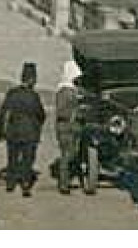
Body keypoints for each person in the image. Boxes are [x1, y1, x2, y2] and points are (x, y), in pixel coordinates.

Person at [0, 61, 46, 197]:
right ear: (31, 80)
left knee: (12, 158)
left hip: (13, 132)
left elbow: (3, 112)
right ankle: (25, 184)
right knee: (27, 160)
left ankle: (10, 183)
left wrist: (2, 131)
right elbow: (41, 114)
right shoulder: (34, 96)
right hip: (30, 133)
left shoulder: (12, 93)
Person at [53, 61, 82, 194]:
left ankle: (66, 181)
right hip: (67, 126)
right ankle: (64, 183)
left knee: (69, 154)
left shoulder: (63, 90)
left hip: (65, 126)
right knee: (67, 155)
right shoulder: (67, 91)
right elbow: (63, 110)